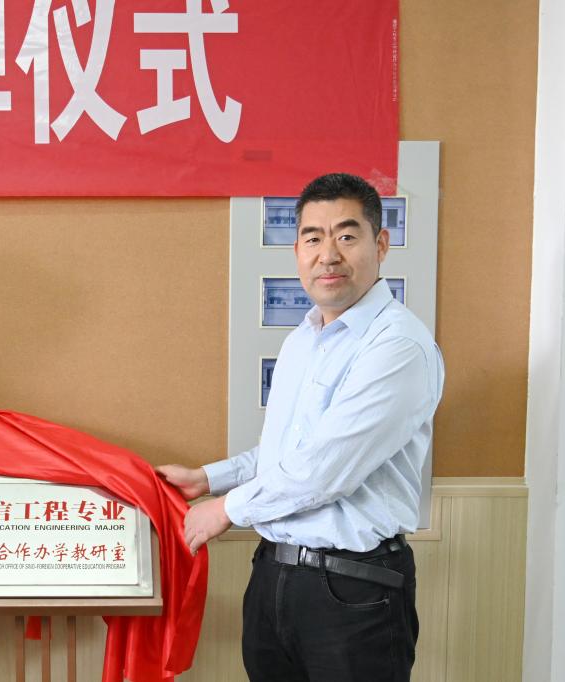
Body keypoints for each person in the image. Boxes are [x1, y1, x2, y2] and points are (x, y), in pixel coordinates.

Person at [157, 173, 444, 681]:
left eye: (347, 236)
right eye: (313, 238)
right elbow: (287, 453)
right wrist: (207, 479)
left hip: (354, 590)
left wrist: (224, 510)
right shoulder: (303, 339)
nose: (328, 255)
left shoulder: (397, 346)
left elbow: (324, 470)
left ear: (381, 244)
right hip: (275, 575)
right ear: (297, 251)